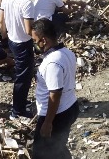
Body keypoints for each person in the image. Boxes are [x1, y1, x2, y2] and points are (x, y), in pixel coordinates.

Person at [31, 18, 79, 159]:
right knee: (58, 147)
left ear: (44, 40)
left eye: (35, 41)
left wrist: (47, 123)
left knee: (41, 153)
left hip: (56, 114)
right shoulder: (66, 52)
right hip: (70, 106)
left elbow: (55, 94)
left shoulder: (53, 62)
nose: (35, 44)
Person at [0, 0, 36, 119]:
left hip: (12, 41)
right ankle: (17, 111)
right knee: (23, 77)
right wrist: (41, 42)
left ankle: (21, 101)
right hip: (23, 44)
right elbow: (29, 30)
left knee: (23, 76)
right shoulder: (27, 4)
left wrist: (4, 40)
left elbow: (1, 22)